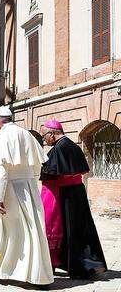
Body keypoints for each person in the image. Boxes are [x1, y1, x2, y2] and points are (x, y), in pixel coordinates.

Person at [0, 106, 53, 288]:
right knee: (31, 231)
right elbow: (37, 166)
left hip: (7, 191)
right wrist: (30, 185)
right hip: (29, 190)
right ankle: (39, 277)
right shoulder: (28, 135)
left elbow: (0, 172)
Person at [40, 119, 107, 279]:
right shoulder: (72, 145)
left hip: (64, 195)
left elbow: (52, 176)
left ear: (52, 133)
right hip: (77, 193)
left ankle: (70, 265)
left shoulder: (59, 148)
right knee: (79, 229)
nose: (45, 140)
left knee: (64, 230)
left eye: (45, 136)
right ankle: (80, 264)